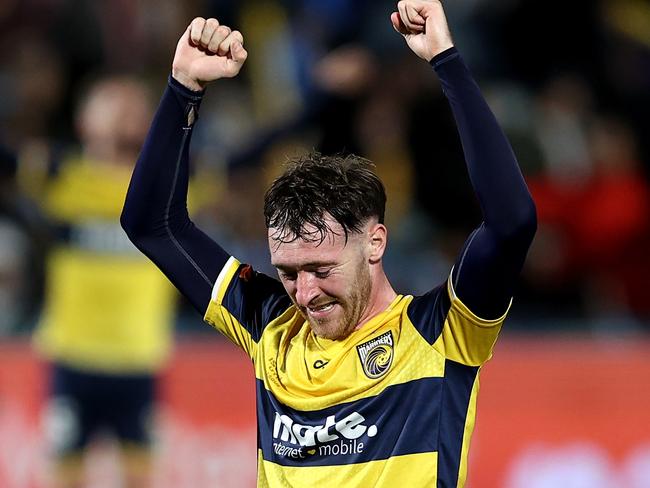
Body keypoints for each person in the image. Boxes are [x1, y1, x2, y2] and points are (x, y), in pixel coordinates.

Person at [121, 1, 537, 486]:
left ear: (375, 241)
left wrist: (445, 59)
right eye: (289, 272)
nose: (305, 294)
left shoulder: (439, 334)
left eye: (321, 268)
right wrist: (182, 88)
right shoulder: (270, 326)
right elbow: (153, 224)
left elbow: (511, 222)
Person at [32, 76, 176, 488]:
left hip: (139, 358)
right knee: (64, 476)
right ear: (83, 120)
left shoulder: (166, 184)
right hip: (73, 357)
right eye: (112, 101)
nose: (126, 110)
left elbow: (246, 156)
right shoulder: (60, 177)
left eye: (135, 103)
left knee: (141, 478)